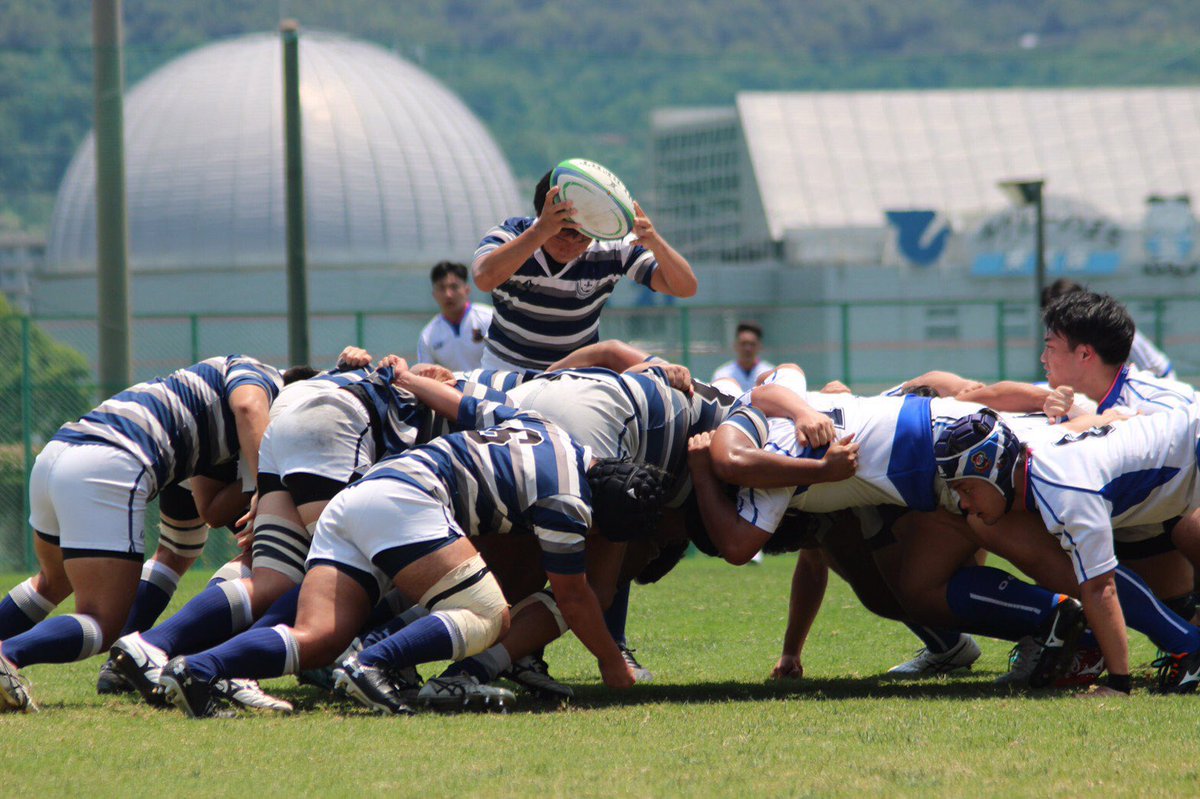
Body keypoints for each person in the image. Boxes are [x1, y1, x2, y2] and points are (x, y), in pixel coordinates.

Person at [155, 384, 664, 718]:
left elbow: (465, 404)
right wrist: (611, 664)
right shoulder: (570, 502)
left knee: (319, 637)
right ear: (604, 519)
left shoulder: (550, 430)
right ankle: (372, 664)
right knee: (487, 612)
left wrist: (409, 376)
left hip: (358, 499)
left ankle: (198, 669)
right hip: (404, 499)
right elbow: (574, 598)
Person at [0, 355, 283, 713]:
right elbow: (247, 406)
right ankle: (8, 654)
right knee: (102, 621)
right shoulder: (262, 377)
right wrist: (267, 486)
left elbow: (209, 508)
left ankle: (127, 664)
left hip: (60, 452)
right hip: (110, 463)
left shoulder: (209, 387)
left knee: (52, 582)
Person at [936, 408, 1200, 696]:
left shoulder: (1064, 491)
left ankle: (1189, 650)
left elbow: (1102, 588)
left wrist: (1118, 685)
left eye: (966, 488)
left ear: (993, 470)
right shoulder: (1030, 457)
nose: (962, 503)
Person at [471, 169, 698, 371]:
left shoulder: (613, 246)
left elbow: (685, 287)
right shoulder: (510, 235)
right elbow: (483, 278)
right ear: (542, 217)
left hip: (575, 371)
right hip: (506, 368)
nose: (572, 246)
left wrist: (656, 242)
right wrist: (539, 232)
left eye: (582, 240)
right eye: (561, 236)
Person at [1041, 278, 1176, 379]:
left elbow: (1148, 372)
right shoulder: (1074, 338)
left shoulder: (1111, 328)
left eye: (1059, 315)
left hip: (1159, 384)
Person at [416, 261, 493, 372]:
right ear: (434, 294)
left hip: (492, 387)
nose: (448, 294)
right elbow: (424, 377)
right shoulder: (427, 336)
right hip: (452, 389)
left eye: (454, 287)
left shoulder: (489, 318)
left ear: (467, 290)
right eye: (442, 288)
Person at [711, 321, 775, 395]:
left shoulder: (770, 373)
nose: (747, 348)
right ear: (735, 345)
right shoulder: (722, 374)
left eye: (752, 344)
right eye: (743, 343)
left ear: (760, 346)